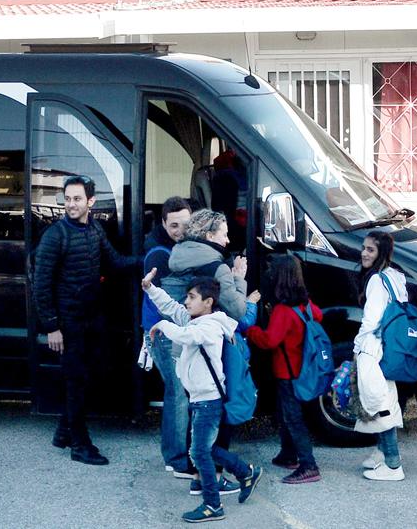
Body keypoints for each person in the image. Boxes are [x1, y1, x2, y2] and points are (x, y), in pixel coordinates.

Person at [34, 175, 138, 466]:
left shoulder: (94, 228)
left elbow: (115, 262)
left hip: (93, 319)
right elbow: (41, 285)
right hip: (68, 323)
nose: (71, 204)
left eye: (77, 199)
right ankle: (79, 445)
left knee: (90, 376)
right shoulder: (55, 235)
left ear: (90, 201)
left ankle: (64, 431)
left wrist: (151, 260)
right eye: (67, 199)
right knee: (76, 380)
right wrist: (52, 326)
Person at [143, 274, 263, 523]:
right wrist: (150, 288)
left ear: (208, 302)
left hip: (208, 400)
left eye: (191, 297)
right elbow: (171, 308)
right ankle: (246, 472)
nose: (186, 302)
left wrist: (162, 326)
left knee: (199, 453)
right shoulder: (196, 319)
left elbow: (187, 337)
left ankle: (213, 505)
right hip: (199, 398)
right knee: (203, 449)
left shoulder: (209, 326)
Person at [246, 254, 324, 485]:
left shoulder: (283, 311)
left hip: (287, 373)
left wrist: (250, 330)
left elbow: (270, 340)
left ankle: (308, 465)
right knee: (285, 414)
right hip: (303, 370)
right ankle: (288, 454)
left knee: (292, 418)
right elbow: (318, 317)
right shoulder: (306, 305)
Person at [141, 196, 195, 478]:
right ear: (164, 223)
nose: (180, 230)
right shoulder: (161, 255)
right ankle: (176, 459)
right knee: (177, 393)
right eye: (174, 225)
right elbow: (173, 304)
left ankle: (177, 454)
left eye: (185, 224)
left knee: (177, 392)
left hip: (167, 331)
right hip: (162, 333)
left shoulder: (177, 247)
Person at [354, 231, 407, 481]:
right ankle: (380, 454)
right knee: (386, 399)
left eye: (371, 250)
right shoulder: (396, 276)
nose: (364, 253)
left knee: (379, 404)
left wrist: (357, 349)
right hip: (392, 347)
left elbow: (371, 319)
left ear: (381, 253)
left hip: (373, 348)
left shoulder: (377, 280)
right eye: (364, 248)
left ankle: (394, 465)